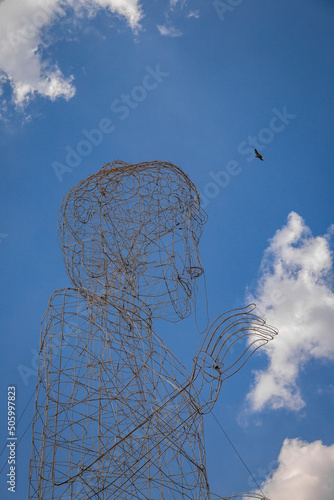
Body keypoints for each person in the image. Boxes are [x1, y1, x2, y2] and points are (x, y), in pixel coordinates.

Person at [28, 160, 276, 499]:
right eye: (182, 236)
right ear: (128, 246)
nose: (195, 265)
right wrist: (188, 403)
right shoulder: (76, 316)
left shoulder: (164, 364)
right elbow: (63, 490)